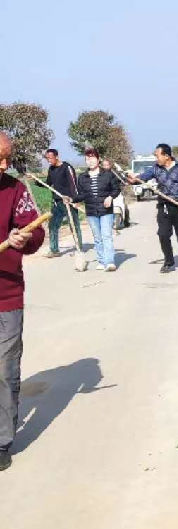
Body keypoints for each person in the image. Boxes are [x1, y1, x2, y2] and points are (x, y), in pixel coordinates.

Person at [0, 132, 46, 472]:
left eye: (7, 156)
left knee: (4, 369)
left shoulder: (15, 190)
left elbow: (36, 232)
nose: (5, 164)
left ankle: (2, 440)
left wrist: (23, 237)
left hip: (7, 295)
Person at [127, 143, 178, 273]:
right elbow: (143, 177)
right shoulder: (155, 168)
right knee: (163, 235)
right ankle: (169, 262)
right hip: (164, 205)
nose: (156, 158)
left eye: (157, 155)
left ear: (166, 156)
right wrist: (134, 179)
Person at [71, 148, 120, 272]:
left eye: (92, 158)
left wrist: (110, 197)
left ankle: (109, 262)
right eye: (87, 159)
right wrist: (72, 199)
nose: (90, 161)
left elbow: (116, 189)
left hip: (106, 211)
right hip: (91, 211)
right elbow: (82, 195)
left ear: (98, 160)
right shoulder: (82, 177)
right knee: (97, 237)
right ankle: (101, 261)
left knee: (106, 235)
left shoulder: (108, 174)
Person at [43, 148, 84, 258]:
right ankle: (54, 250)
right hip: (57, 202)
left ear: (57, 156)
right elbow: (48, 183)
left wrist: (75, 200)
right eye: (47, 159)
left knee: (74, 225)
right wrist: (37, 182)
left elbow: (73, 185)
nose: (49, 161)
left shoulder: (67, 167)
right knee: (53, 225)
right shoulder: (51, 169)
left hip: (68, 201)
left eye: (50, 158)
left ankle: (79, 248)